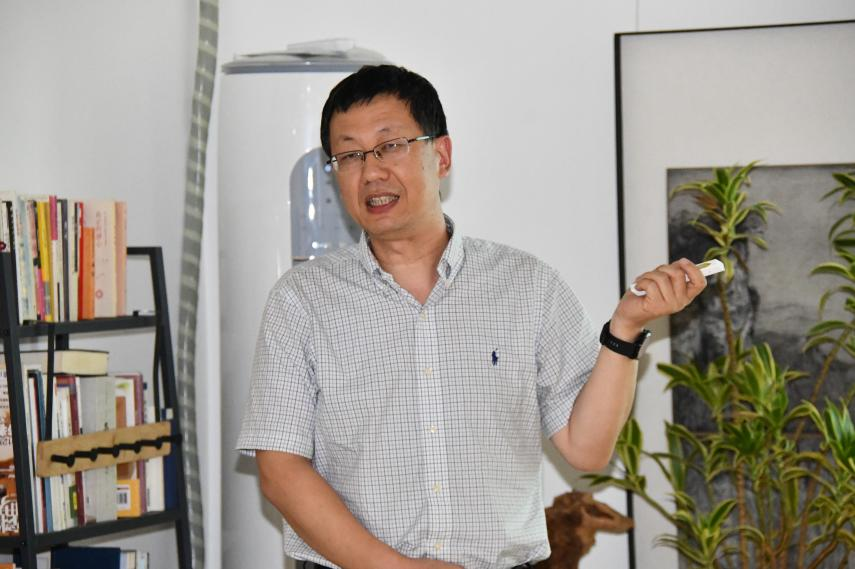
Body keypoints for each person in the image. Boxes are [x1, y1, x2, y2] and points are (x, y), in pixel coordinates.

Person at [237, 65, 706, 569]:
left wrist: (626, 328)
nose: (371, 172)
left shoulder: (527, 285)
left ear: (441, 155)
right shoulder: (302, 300)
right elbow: (280, 470)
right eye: (350, 155)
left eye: (390, 146)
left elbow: (587, 450)